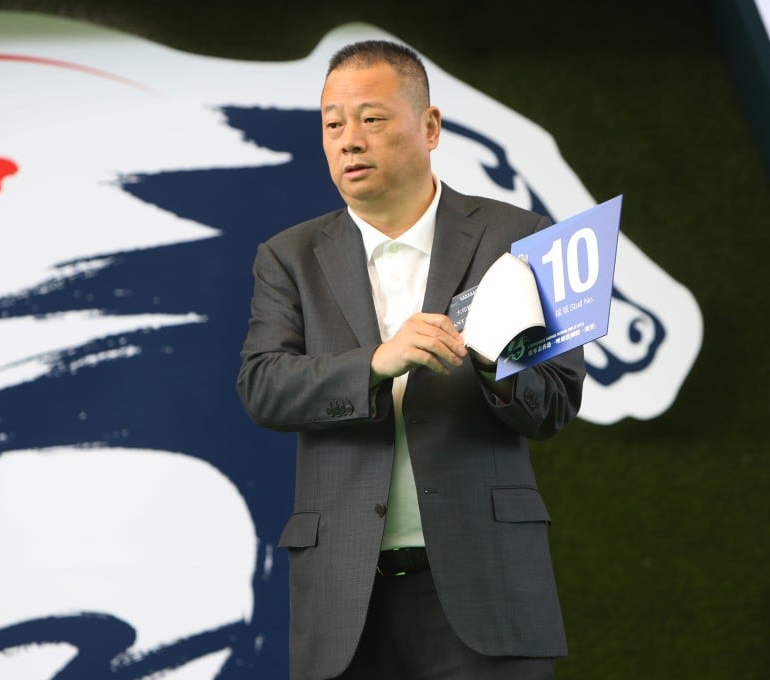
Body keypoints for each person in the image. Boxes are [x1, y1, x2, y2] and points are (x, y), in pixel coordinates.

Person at [236, 39, 585, 680]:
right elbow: (263, 386)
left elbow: (556, 403)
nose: (348, 141)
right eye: (332, 124)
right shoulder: (290, 256)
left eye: (371, 119)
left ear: (429, 127)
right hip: (345, 595)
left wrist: (491, 361)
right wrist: (375, 362)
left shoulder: (520, 239)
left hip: (487, 584)